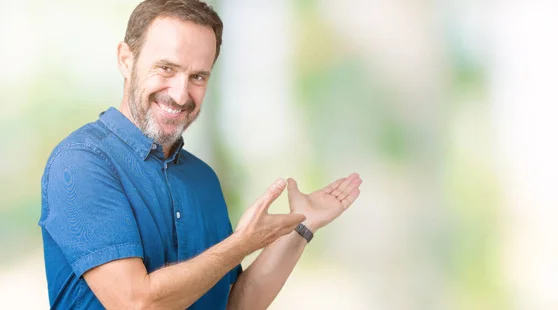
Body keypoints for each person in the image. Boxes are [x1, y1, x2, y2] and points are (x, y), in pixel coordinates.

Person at [38, 0, 362, 309]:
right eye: (166, 68)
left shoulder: (202, 179)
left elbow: (235, 304)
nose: (180, 94)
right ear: (126, 59)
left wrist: (301, 230)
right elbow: (135, 303)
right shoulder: (81, 163)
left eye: (197, 77)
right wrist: (240, 244)